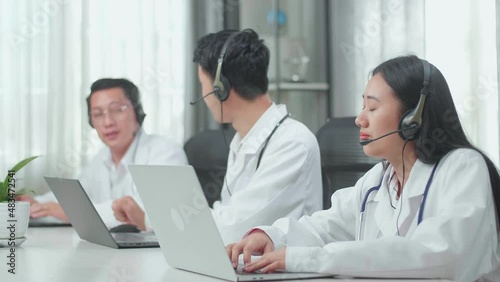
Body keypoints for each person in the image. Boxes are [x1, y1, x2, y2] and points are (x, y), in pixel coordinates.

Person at [227, 55, 500, 281]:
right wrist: (271, 236)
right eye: (362, 107)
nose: (359, 119)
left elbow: (438, 256)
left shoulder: (463, 168)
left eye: (372, 107)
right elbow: (325, 226)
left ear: (412, 118)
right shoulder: (378, 180)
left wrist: (306, 259)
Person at [117, 29, 323, 243]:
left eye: (202, 84)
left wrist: (151, 220)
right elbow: (227, 212)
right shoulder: (243, 140)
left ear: (220, 88)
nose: (203, 95)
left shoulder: (292, 142)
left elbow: (237, 226)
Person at [19, 78, 188, 230]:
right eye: (98, 114)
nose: (107, 122)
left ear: (137, 112)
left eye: (117, 110)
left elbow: (144, 212)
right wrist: (35, 204)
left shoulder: (165, 152)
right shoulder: (102, 157)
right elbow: (77, 196)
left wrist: (73, 212)